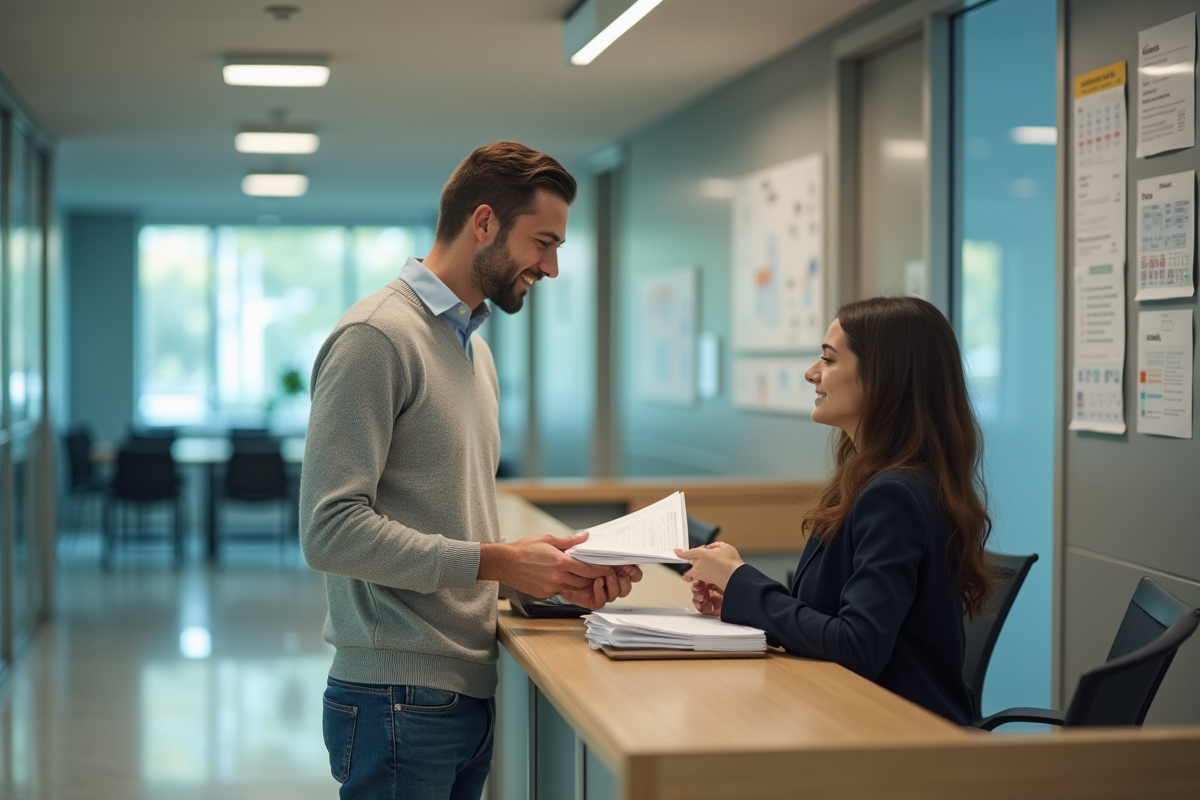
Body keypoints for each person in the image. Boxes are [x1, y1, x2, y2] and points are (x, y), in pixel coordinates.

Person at [299, 141, 642, 799]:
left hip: (463, 693)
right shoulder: (376, 336)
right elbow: (330, 532)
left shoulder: (474, 353)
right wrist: (498, 561)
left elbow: (445, 520)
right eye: (543, 243)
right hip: (396, 699)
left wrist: (544, 577)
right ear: (483, 222)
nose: (552, 267)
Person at [676, 296, 992, 725]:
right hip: (857, 715)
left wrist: (740, 581)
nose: (812, 373)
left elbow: (856, 646)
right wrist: (739, 597)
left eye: (828, 359)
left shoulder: (894, 495)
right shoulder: (876, 482)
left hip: (901, 732)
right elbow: (830, 618)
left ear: (883, 376)